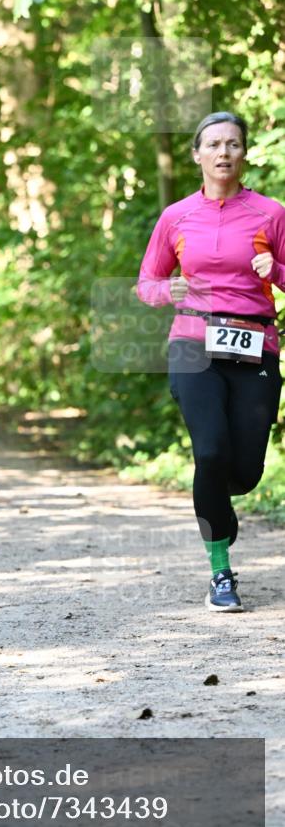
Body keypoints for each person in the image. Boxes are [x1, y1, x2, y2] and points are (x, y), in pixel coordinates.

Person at [137, 111, 284, 612]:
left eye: (233, 144)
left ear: (244, 154)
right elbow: (147, 282)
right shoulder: (176, 216)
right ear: (197, 155)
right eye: (214, 144)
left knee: (243, 473)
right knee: (211, 452)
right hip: (193, 343)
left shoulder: (271, 213)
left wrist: (277, 268)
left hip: (255, 347)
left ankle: (221, 506)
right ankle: (220, 571)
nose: (224, 153)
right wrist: (166, 289)